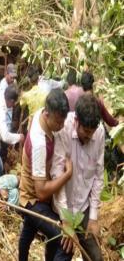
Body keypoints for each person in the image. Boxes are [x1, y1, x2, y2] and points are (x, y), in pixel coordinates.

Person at [18, 88, 73, 261]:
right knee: (64, 241)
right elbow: (41, 191)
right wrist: (67, 174)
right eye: (58, 121)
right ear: (47, 114)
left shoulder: (39, 114)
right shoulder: (39, 144)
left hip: (31, 193)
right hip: (33, 200)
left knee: (29, 230)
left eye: (64, 120)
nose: (62, 126)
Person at [51, 94, 105, 261]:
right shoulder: (64, 128)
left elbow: (98, 175)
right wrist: (66, 219)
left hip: (83, 208)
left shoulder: (99, 132)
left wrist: (93, 217)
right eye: (86, 132)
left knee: (95, 257)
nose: (90, 137)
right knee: (60, 254)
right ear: (76, 121)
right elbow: (57, 174)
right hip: (62, 207)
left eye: (92, 132)